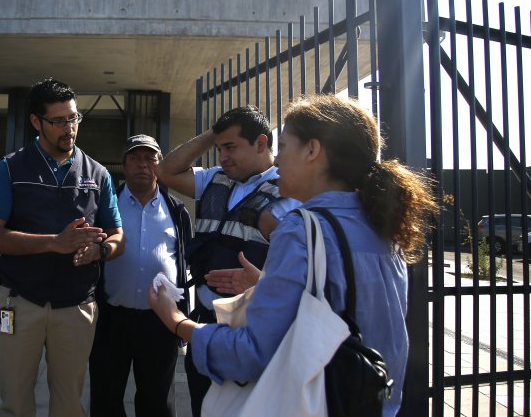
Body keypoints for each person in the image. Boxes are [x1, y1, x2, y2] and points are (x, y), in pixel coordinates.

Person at [150, 94, 436, 416]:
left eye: (284, 147)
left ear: (313, 151)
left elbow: (253, 354)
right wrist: (265, 285)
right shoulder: (383, 226)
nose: (276, 161)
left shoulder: (300, 230)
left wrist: (176, 321)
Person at [0, 77, 124, 417]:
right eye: (58, 121)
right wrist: (55, 243)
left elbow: (118, 236)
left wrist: (101, 251)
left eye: (73, 118)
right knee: (15, 402)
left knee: (69, 404)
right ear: (36, 122)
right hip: (17, 302)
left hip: (76, 307)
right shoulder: (10, 168)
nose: (69, 128)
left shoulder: (98, 174)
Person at [155, 105, 299, 416]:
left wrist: (260, 283)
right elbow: (165, 171)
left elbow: (302, 274)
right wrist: (216, 133)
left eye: (231, 147)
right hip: (206, 320)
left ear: (261, 143)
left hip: (252, 325)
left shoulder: (289, 191)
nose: (222, 157)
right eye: (219, 148)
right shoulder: (214, 179)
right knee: (201, 405)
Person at [88, 134, 192, 417]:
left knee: (157, 401)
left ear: (159, 165)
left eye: (150, 158)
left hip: (159, 324)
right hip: (111, 321)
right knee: (105, 397)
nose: (142, 164)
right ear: (124, 165)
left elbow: (185, 263)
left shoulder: (177, 211)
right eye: (135, 158)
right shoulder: (105, 207)